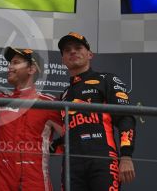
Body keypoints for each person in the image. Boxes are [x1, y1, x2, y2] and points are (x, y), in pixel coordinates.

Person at [57, 32, 136, 190]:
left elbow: (125, 117)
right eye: (67, 50)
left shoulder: (106, 80)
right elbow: (69, 131)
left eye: (78, 48)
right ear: (63, 59)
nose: (73, 52)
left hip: (103, 159)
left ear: (90, 54)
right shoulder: (64, 94)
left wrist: (126, 156)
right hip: (71, 165)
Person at [0, 47, 63, 191]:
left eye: (16, 63)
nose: (10, 67)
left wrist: (52, 147)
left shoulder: (48, 104)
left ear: (31, 69)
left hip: (35, 181)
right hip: (3, 182)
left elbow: (70, 136)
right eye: (10, 63)